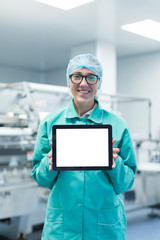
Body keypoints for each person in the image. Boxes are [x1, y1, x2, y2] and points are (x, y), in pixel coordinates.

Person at [32, 54, 137, 240]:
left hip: (104, 227)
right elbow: (41, 179)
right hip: (62, 227)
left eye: (91, 77)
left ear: (99, 82)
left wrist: (115, 163)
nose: (84, 83)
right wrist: (49, 163)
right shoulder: (50, 123)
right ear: (69, 79)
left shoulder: (119, 126)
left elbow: (125, 183)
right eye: (77, 76)